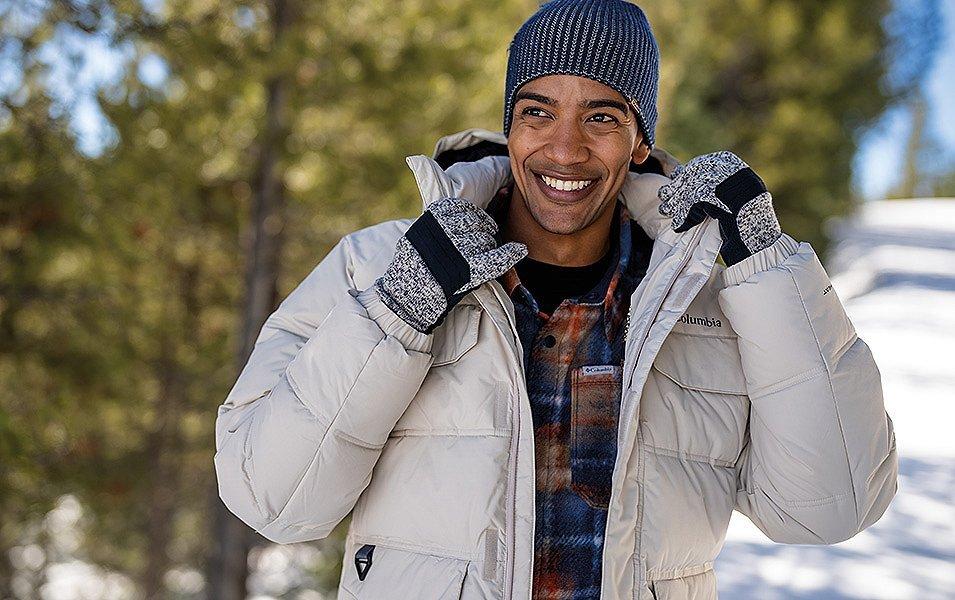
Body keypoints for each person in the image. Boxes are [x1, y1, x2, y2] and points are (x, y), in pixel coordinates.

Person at [213, 1, 898, 598]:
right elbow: (271, 499)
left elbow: (829, 507)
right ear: (509, 127)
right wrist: (399, 310)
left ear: (639, 142)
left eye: (601, 116)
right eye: (537, 112)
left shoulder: (709, 310)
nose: (564, 149)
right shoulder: (378, 267)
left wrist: (767, 262)